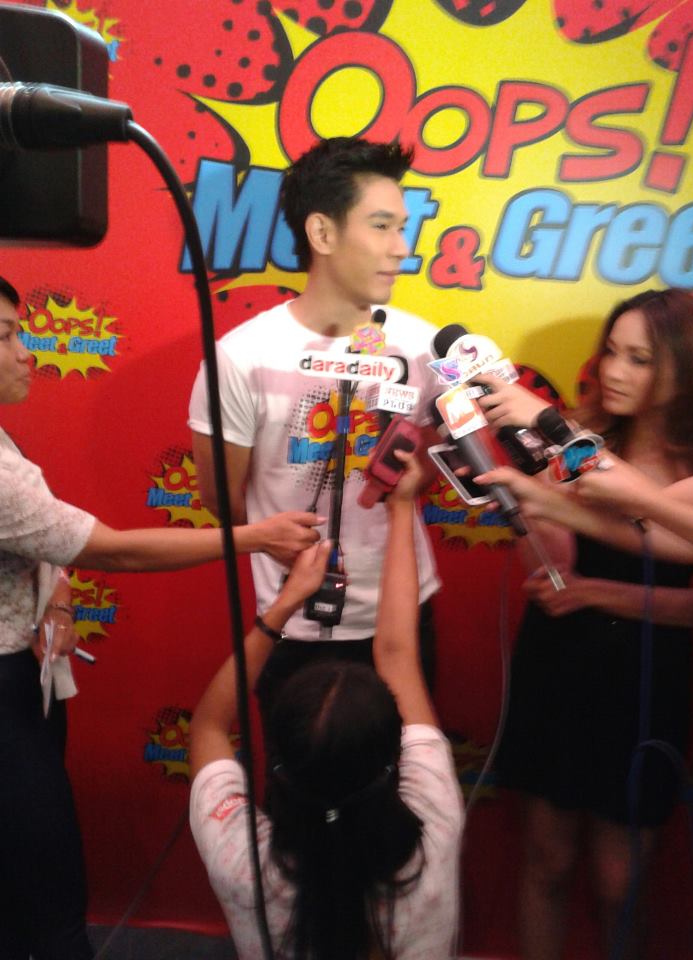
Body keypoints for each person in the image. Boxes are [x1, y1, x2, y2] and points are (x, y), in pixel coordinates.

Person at [0, 275, 323, 960]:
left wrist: (56, 594)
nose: (27, 351)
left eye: (22, 330)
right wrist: (256, 536)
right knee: (47, 889)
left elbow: (39, 539)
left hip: (27, 679)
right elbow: (114, 550)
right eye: (5, 336)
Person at [475, 289, 693, 959]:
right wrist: (525, 509)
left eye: (639, 359)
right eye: (611, 351)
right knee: (547, 859)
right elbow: (556, 551)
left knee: (621, 881)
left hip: (647, 676)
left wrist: (596, 594)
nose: (614, 370)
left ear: (686, 369)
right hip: (559, 663)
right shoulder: (581, 442)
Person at [188, 136, 441, 712]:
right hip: (292, 620)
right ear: (322, 233)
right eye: (381, 226)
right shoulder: (240, 357)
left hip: (404, 609)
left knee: (407, 763)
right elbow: (223, 500)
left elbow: (437, 462)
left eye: (403, 228)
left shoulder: (426, 346)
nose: (401, 248)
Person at [189, 451, 463, 959]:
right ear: (393, 760)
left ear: (279, 763)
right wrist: (402, 507)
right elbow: (398, 654)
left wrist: (282, 607)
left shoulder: (242, 864)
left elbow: (207, 728)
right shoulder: (436, 824)